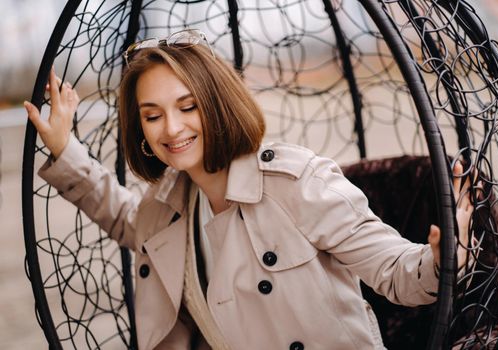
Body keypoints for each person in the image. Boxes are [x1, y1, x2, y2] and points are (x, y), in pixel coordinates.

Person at [24, 29, 475, 350]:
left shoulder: (296, 182)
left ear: (217, 104)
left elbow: (398, 274)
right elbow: (126, 219)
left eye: (188, 106)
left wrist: (442, 259)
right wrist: (65, 150)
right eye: (152, 114)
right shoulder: (166, 206)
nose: (172, 128)